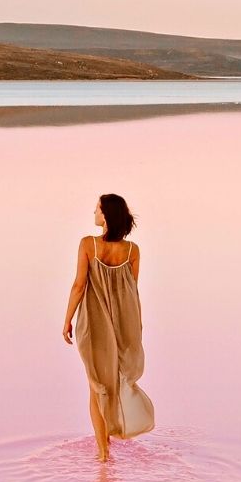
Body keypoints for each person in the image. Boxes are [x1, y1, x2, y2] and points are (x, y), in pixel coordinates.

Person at [61, 193, 155, 461]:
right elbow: (130, 292)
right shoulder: (132, 251)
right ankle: (109, 439)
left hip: (93, 325)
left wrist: (67, 318)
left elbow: (79, 285)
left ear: (105, 215)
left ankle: (102, 451)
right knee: (112, 383)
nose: (93, 212)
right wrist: (135, 329)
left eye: (97, 209)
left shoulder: (88, 245)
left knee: (96, 386)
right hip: (124, 325)